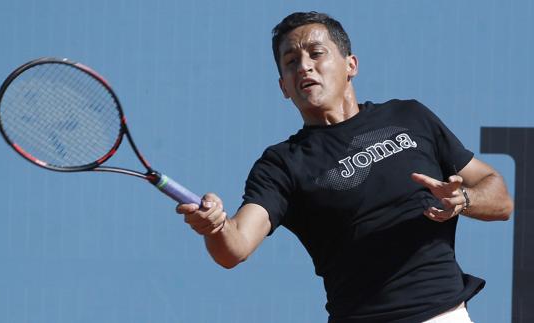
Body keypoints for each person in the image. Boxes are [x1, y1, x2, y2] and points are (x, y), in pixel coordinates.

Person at [176, 11, 513, 323]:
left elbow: (500, 198)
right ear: (283, 86)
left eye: (316, 53)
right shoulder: (282, 164)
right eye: (291, 62)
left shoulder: (410, 117)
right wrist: (215, 227)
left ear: (350, 64)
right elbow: (234, 249)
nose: (304, 67)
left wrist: (463, 200)